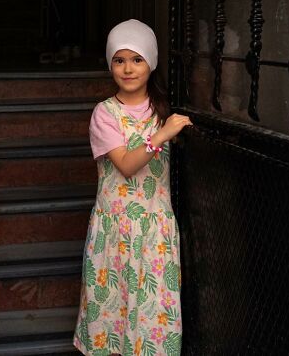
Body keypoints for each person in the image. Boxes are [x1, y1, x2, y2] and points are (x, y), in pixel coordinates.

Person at [73, 19, 192, 356]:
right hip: (115, 229)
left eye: (137, 59)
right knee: (112, 317)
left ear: (150, 63)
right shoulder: (104, 113)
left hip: (154, 231)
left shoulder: (163, 111)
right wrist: (161, 135)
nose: (128, 69)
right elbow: (125, 165)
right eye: (119, 60)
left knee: (154, 319)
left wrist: (166, 127)